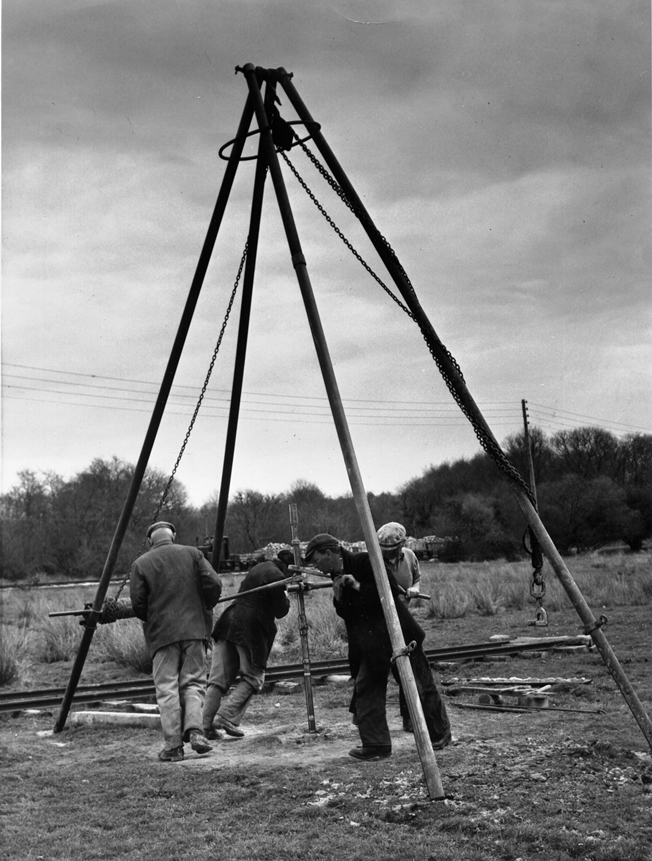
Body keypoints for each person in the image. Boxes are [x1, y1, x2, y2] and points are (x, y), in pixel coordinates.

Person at [304, 532, 451, 762]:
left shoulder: (364, 560)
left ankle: (439, 735)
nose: (316, 566)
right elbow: (347, 612)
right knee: (367, 690)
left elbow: (390, 591)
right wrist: (339, 597)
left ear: (329, 553)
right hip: (371, 643)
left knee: (420, 684)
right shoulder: (336, 574)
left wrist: (358, 585)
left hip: (398, 633)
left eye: (316, 560)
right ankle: (376, 745)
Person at [130, 521, 222, 763]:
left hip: (162, 636)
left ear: (151, 541)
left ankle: (173, 747)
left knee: (167, 688)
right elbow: (214, 584)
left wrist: (153, 618)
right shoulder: (193, 554)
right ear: (174, 536)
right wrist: (205, 606)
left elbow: (138, 604)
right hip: (195, 631)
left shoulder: (140, 564)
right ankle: (195, 731)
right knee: (193, 683)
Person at [203, 551, 292, 739]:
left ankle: (205, 726)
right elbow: (280, 611)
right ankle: (225, 716)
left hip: (228, 620)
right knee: (254, 677)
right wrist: (288, 595)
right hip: (250, 626)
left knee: (217, 681)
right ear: (288, 566)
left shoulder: (259, 567)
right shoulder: (278, 576)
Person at [377, 522, 421, 605]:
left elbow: (417, 578)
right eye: (384, 549)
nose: (387, 552)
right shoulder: (373, 560)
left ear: (402, 543)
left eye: (392, 550)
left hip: (403, 610)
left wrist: (415, 588)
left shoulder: (410, 555)